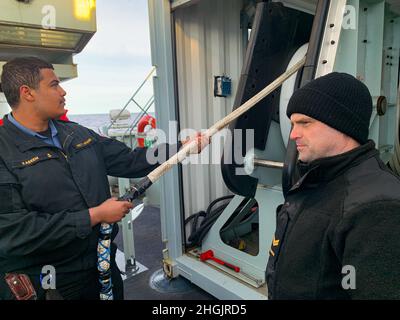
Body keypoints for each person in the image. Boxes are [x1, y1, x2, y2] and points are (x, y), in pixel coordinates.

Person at [0, 57, 208, 300]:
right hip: (49, 281)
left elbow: (130, 159)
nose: (63, 91)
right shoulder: (4, 151)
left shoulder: (77, 134)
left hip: (101, 266)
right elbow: (14, 232)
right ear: (27, 93)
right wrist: (95, 216)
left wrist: (181, 147)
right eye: (54, 84)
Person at [266, 72, 400, 300]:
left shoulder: (376, 207)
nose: (293, 134)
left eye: (304, 123)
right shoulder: (317, 177)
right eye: (292, 124)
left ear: (341, 124)